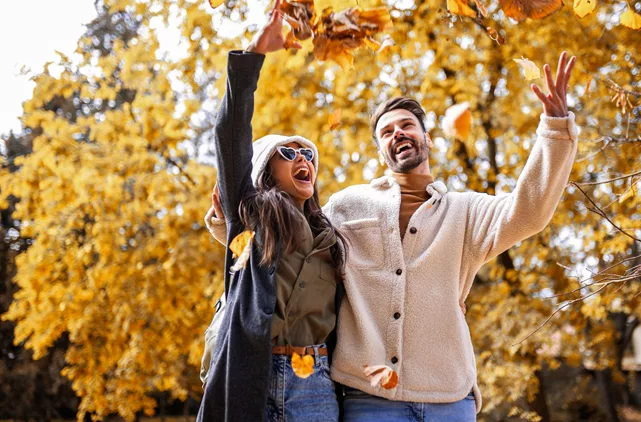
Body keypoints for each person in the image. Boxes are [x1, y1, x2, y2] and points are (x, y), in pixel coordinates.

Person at [205, 25, 578, 422]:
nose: (397, 133)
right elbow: (290, 246)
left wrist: (554, 130)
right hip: (366, 398)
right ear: (380, 150)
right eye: (386, 131)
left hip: (449, 398)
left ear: (427, 137)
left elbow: (529, 210)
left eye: (406, 125)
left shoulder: (466, 211)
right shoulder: (347, 205)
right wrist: (228, 224)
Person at [196, 3, 347, 421]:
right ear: (266, 169)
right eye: (289, 152)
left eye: (309, 154)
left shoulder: (332, 236)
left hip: (315, 385)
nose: (303, 159)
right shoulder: (252, 215)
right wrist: (253, 54)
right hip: (250, 379)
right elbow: (230, 131)